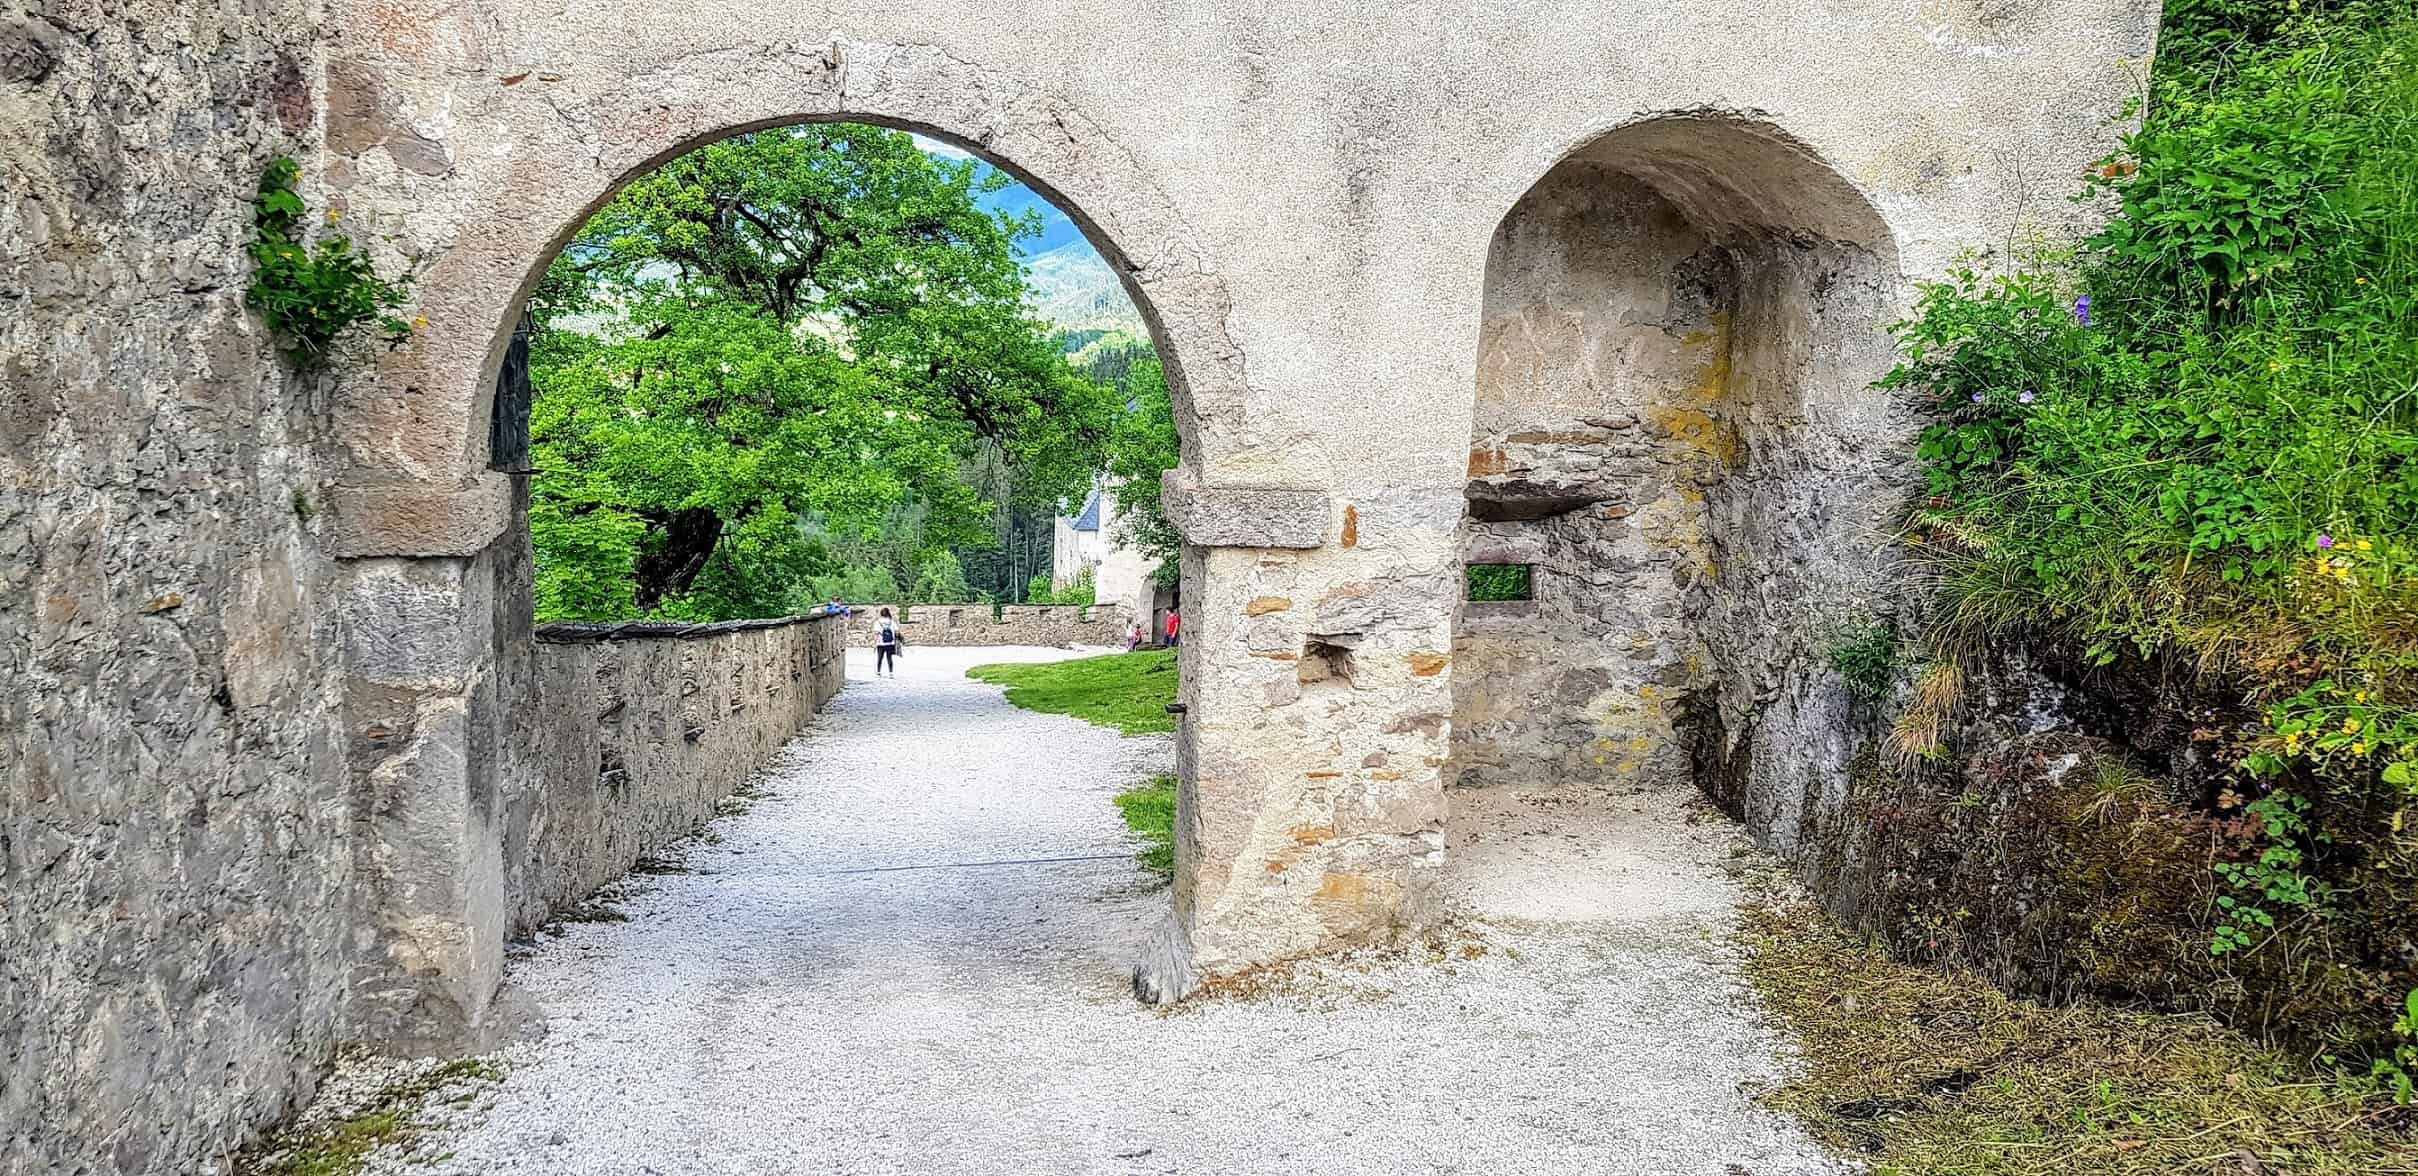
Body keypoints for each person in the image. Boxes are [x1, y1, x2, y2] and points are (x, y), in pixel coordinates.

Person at [874, 607, 900, 676]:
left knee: (880, 658)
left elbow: (876, 633)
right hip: (890, 643)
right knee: (889, 658)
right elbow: (897, 632)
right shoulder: (892, 621)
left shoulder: (877, 622)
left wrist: (875, 643)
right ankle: (891, 672)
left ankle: (878, 671)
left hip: (880, 642)